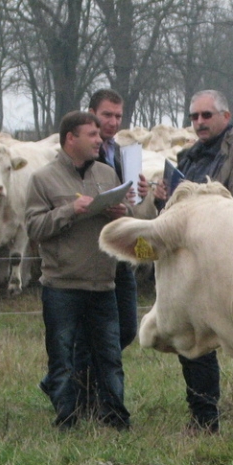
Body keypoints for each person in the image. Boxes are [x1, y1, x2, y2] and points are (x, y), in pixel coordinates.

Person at [154, 89, 233, 434]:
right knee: (193, 341)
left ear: (226, 116)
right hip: (193, 266)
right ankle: (203, 415)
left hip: (231, 268)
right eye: (194, 117)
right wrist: (164, 202)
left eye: (206, 116)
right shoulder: (190, 156)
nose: (199, 123)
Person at [25, 111, 133, 430]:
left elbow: (125, 223)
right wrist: (70, 210)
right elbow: (34, 227)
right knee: (62, 356)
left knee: (110, 357)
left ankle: (115, 417)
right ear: (70, 139)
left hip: (103, 284)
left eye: (99, 135)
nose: (100, 140)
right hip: (62, 285)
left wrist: (120, 212)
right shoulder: (42, 179)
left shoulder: (107, 174)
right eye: (92, 135)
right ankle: (67, 417)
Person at [72, 88, 152, 412]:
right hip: (91, 253)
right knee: (90, 330)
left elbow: (132, 202)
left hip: (121, 250)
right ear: (91, 112)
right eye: (107, 115)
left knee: (127, 328)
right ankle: (81, 390)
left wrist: (144, 194)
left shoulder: (122, 154)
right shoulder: (79, 154)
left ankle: (71, 379)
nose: (113, 122)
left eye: (118, 116)